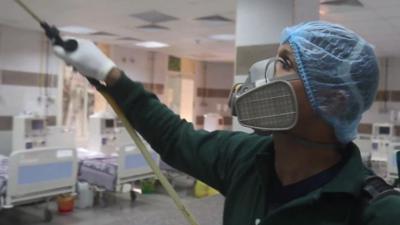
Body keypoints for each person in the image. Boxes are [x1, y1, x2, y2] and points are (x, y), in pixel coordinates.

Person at [53, 21, 400, 225]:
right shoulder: (245, 158)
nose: (265, 73)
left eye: (285, 62)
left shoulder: (377, 211)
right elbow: (174, 136)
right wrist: (105, 72)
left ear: (332, 99)